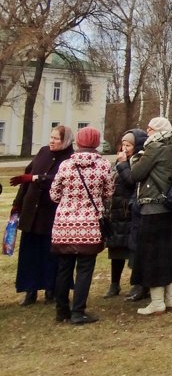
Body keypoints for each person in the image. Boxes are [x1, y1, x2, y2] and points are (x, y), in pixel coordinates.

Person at [49, 126, 115, 324]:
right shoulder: (103, 165)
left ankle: (62, 311)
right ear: (96, 142)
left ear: (78, 142)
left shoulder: (65, 165)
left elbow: (54, 194)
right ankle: (78, 311)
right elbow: (109, 193)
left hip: (64, 225)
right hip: (89, 225)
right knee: (85, 269)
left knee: (63, 268)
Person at [9, 125, 75, 306]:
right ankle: (30, 290)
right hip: (32, 212)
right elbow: (26, 178)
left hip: (52, 212)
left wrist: (36, 178)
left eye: (56, 139)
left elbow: (57, 178)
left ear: (65, 141)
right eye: (51, 137)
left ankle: (51, 289)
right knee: (30, 253)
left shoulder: (69, 158)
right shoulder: (43, 151)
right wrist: (18, 203)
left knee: (50, 253)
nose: (51, 141)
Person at [130, 116, 172, 315]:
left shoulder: (153, 149)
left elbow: (136, 174)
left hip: (153, 208)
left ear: (159, 131)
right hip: (170, 207)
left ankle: (157, 302)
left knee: (152, 255)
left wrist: (134, 158)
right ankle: (170, 298)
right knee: (168, 253)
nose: (147, 132)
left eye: (150, 128)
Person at [104, 129, 148, 301]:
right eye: (123, 144)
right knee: (116, 249)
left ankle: (137, 284)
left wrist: (123, 165)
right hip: (116, 211)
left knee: (133, 250)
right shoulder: (119, 161)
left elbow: (132, 181)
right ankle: (114, 284)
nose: (125, 147)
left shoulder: (139, 161)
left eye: (129, 145)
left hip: (130, 211)